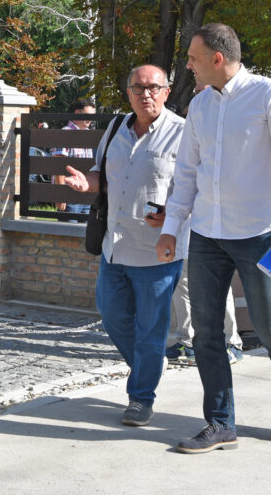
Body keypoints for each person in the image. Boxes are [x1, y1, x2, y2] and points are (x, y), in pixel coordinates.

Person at [156, 23, 271, 453]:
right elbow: (187, 173)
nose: (187, 65)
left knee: (270, 328)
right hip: (207, 235)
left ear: (216, 58)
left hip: (261, 235)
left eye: (192, 58)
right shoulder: (198, 105)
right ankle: (220, 422)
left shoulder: (270, 95)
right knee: (206, 333)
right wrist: (172, 228)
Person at [60, 65, 186, 427]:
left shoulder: (183, 133)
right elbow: (103, 174)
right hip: (115, 244)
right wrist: (88, 184)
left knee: (151, 327)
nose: (145, 94)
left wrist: (172, 215)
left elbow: (196, 188)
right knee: (112, 314)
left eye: (153, 87)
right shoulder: (116, 128)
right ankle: (150, 366)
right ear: (128, 92)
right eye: (137, 88)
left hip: (158, 248)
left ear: (166, 91)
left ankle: (141, 397)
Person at [164, 83, 244, 367]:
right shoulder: (186, 133)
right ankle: (185, 339)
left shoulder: (221, 139)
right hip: (185, 221)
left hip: (209, 224)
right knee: (183, 284)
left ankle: (225, 341)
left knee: (211, 286)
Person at [53, 99, 97, 218]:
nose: (91, 120)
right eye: (88, 115)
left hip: (86, 195)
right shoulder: (66, 133)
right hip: (69, 195)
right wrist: (61, 195)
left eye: (93, 116)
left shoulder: (88, 134)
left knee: (85, 234)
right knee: (67, 234)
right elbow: (58, 164)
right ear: (77, 113)